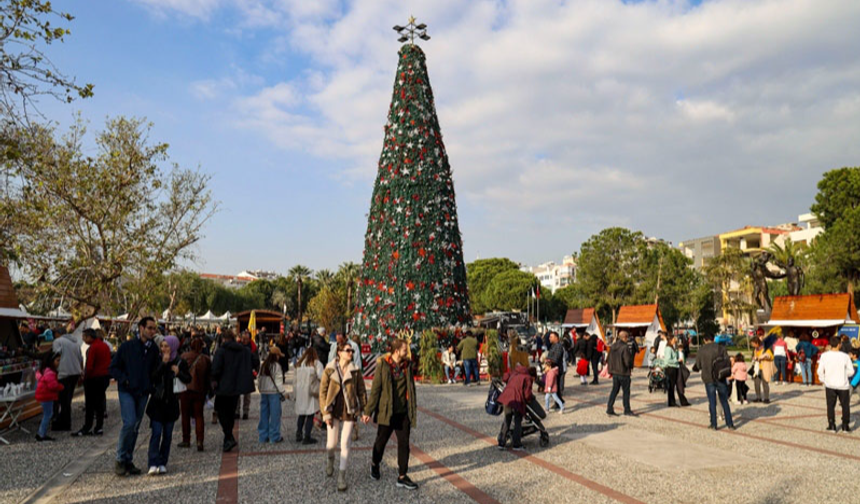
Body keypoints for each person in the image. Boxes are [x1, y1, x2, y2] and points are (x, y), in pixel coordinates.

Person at [110, 317, 160, 476]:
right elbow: (113, 368)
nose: (153, 331)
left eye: (154, 329)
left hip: (143, 391)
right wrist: (124, 379)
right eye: (150, 328)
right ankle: (120, 458)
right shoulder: (127, 346)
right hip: (127, 390)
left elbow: (155, 370)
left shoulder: (153, 349)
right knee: (129, 422)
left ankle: (127, 459)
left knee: (136, 426)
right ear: (141, 328)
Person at [366, 339, 418, 490]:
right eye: (404, 350)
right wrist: (368, 411)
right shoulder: (383, 365)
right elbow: (376, 389)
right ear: (396, 351)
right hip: (387, 411)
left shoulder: (407, 365)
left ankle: (402, 475)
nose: (406, 352)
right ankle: (375, 464)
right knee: (381, 441)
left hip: (403, 413)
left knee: (404, 443)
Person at [320, 342, 369, 491]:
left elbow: (361, 391)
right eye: (347, 350)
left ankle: (342, 476)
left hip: (349, 409)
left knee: (345, 443)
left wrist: (365, 410)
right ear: (339, 352)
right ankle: (330, 459)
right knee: (331, 444)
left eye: (352, 351)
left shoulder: (355, 371)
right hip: (333, 408)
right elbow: (322, 393)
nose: (351, 353)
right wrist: (325, 413)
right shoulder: (329, 370)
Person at [146, 335, 191, 475]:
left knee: (168, 435)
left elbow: (188, 379)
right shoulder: (157, 360)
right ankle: (153, 462)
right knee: (156, 433)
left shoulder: (179, 362)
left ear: (173, 346)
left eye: (167, 346)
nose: (164, 349)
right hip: (157, 402)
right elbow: (152, 377)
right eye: (162, 346)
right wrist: (163, 364)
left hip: (171, 403)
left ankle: (162, 461)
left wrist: (179, 373)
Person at [211, 328, 255, 452]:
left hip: (223, 387)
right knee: (230, 413)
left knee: (220, 411)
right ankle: (227, 439)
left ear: (224, 339)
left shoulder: (221, 351)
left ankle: (229, 436)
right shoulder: (243, 350)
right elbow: (255, 360)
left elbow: (216, 369)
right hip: (236, 386)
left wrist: (213, 379)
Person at [693, 333, 736, 430]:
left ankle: (714, 424)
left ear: (704, 340)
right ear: (713, 339)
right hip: (720, 376)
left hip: (708, 378)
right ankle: (730, 424)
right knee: (724, 401)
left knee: (712, 401)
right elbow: (727, 361)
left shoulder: (701, 350)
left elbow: (698, 365)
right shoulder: (721, 348)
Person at [73, 329, 111, 436]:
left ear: (90, 337)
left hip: (94, 378)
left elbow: (89, 366)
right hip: (104, 376)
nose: (83, 339)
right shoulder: (105, 346)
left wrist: (85, 377)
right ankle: (99, 427)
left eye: (84, 337)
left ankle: (87, 426)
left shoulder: (93, 347)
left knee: (90, 404)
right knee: (99, 404)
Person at [179, 338, 211, 451]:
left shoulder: (184, 356)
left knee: (185, 415)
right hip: (199, 390)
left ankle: (186, 439)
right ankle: (199, 440)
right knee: (199, 416)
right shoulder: (206, 359)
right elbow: (209, 377)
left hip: (185, 389)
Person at [818, 336, 854, 432]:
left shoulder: (824, 356)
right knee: (845, 405)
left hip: (830, 384)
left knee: (830, 405)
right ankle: (845, 426)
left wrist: (824, 380)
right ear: (839, 344)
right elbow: (851, 371)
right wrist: (843, 374)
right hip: (843, 384)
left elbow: (820, 370)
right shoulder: (845, 356)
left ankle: (832, 424)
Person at [51, 323, 83, 432]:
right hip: (75, 372)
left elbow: (56, 356)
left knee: (62, 399)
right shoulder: (76, 343)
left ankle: (63, 423)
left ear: (58, 334)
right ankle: (65, 422)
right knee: (67, 399)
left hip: (64, 373)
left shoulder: (58, 342)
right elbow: (80, 358)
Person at [496, 363, 534, 451]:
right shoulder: (527, 377)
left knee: (507, 419)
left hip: (506, 398)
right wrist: (529, 399)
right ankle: (517, 444)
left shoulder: (515, 372)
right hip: (517, 400)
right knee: (517, 420)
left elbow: (505, 377)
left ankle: (501, 442)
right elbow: (527, 395)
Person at [257, 346, 288, 444]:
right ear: (276, 356)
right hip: (273, 392)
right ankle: (274, 436)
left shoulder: (264, 365)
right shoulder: (276, 366)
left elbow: (259, 379)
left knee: (264, 414)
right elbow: (278, 382)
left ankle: (263, 436)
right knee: (275, 415)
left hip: (264, 392)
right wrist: (283, 392)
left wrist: (260, 389)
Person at [294, 347, 323, 444]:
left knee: (301, 413)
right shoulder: (316, 363)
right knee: (310, 414)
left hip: (301, 390)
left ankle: (298, 433)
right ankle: (307, 436)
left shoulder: (300, 364)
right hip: (311, 391)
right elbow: (321, 376)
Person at [35, 352, 64, 441]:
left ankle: (41, 433)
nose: (59, 362)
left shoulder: (44, 371)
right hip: (47, 396)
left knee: (47, 414)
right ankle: (41, 434)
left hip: (44, 395)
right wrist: (61, 386)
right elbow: (52, 385)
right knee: (48, 414)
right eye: (57, 360)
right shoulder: (50, 372)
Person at [606, 331, 635, 416]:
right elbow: (627, 361)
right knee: (626, 392)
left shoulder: (613, 346)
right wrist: (630, 366)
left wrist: (611, 369)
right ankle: (627, 409)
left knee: (614, 390)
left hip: (615, 372)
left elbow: (609, 358)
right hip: (623, 372)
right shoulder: (625, 347)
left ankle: (609, 408)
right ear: (625, 337)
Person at [235, 331, 260, 420]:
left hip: (248, 373)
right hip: (238, 373)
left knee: (247, 394)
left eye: (246, 338)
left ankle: (246, 412)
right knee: (237, 394)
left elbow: (257, 361)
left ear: (249, 339)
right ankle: (237, 411)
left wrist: (256, 371)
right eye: (243, 338)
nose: (244, 340)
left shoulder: (253, 347)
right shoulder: (236, 346)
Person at [662, 334, 688, 407]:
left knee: (673, 385)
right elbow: (667, 360)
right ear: (670, 340)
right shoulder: (668, 348)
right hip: (670, 368)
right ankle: (671, 402)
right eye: (674, 339)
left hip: (674, 367)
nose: (675, 341)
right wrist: (676, 360)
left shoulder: (671, 347)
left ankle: (674, 401)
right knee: (671, 386)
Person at [751, 337, 774, 404]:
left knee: (765, 383)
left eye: (753, 344)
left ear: (757, 343)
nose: (752, 345)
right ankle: (758, 397)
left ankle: (766, 398)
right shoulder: (756, 349)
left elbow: (771, 357)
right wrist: (754, 358)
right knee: (756, 383)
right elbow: (755, 356)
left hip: (765, 367)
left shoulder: (765, 349)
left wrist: (764, 357)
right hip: (757, 368)